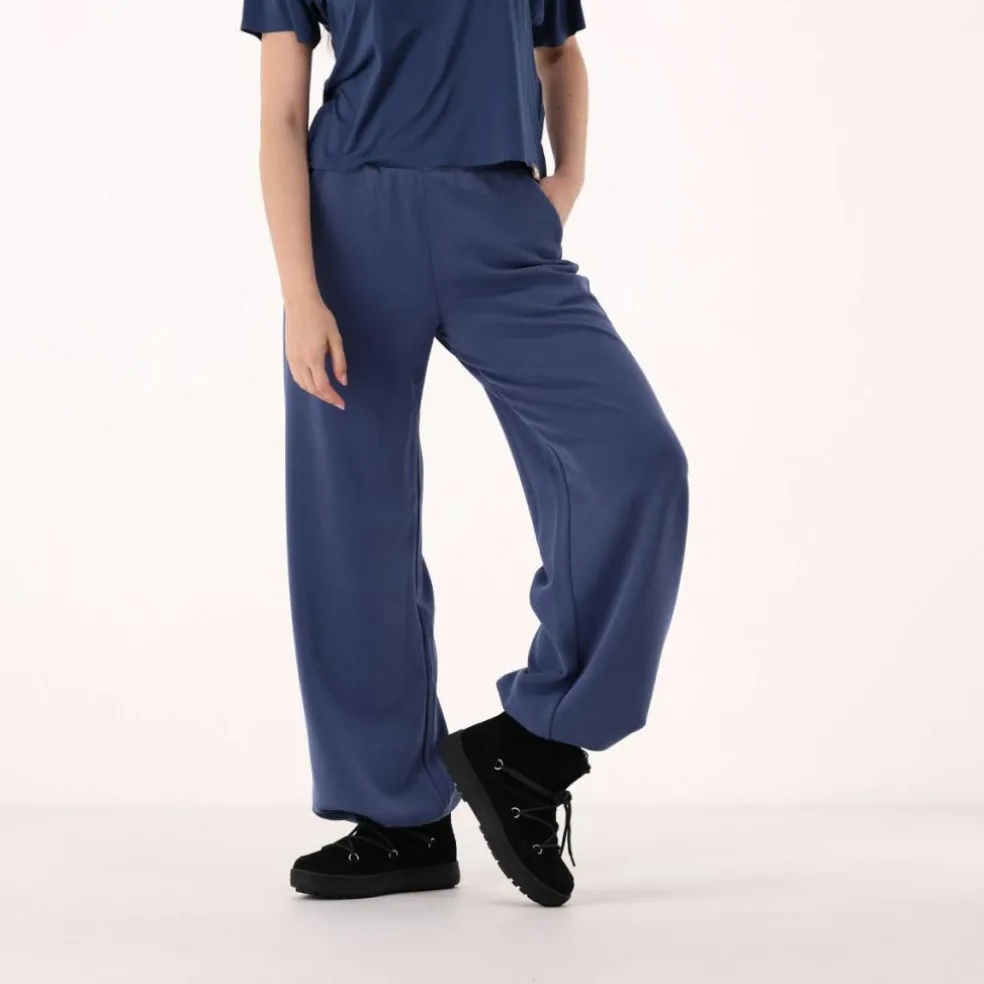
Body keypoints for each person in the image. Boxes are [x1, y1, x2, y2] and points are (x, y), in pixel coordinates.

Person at [241, 0, 688, 908]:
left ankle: (534, 745)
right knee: (352, 525)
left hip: (501, 218)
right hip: (352, 220)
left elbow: (559, 56)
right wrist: (300, 290)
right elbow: (282, 110)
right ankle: (397, 817)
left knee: (638, 464)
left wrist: (566, 181)